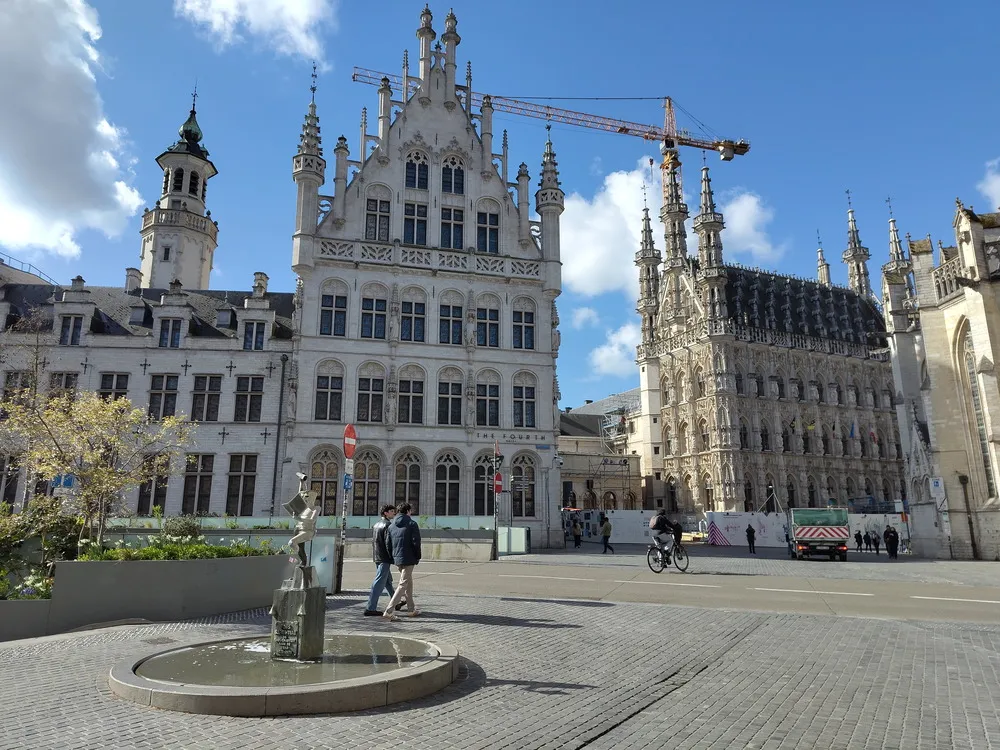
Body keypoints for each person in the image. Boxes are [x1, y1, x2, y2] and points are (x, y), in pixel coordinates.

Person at [364, 504, 406, 616]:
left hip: (377, 556)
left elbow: (374, 542)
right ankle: (370, 608)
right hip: (384, 558)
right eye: (392, 511)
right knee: (379, 582)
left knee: (387, 581)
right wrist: (393, 557)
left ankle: (396, 602)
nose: (394, 513)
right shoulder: (388, 525)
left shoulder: (376, 525)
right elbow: (388, 543)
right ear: (385, 513)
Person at [382, 502, 422, 620]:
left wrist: (392, 556)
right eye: (411, 511)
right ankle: (389, 610)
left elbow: (388, 543)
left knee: (408, 583)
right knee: (403, 584)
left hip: (397, 557)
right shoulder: (412, 523)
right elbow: (416, 542)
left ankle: (411, 609)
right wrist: (417, 556)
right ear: (408, 511)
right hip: (409, 557)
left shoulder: (391, 525)